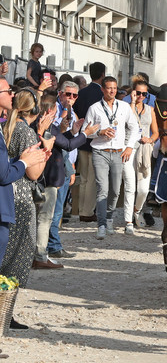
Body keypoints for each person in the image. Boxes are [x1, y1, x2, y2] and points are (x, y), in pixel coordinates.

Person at [0, 88, 54, 329]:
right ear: (36, 109)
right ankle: (5, 314)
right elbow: (33, 173)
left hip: (8, 195)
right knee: (18, 258)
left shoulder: (8, 126)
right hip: (21, 198)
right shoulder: (26, 132)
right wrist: (47, 150)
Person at [33, 94, 96, 268]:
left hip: (43, 177)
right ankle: (40, 256)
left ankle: (40, 253)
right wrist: (85, 134)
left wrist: (71, 132)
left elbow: (62, 141)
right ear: (51, 109)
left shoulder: (40, 125)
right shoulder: (46, 127)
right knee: (45, 217)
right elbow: (67, 146)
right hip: (48, 178)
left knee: (41, 217)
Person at [84, 76, 140, 239]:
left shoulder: (123, 106)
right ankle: (101, 224)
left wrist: (129, 146)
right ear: (102, 89)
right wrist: (99, 132)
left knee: (115, 190)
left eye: (114, 88)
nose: (112, 91)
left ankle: (109, 218)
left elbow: (134, 126)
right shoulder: (94, 108)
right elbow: (85, 132)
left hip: (118, 152)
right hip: (100, 151)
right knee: (103, 188)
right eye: (109, 88)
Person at [48, 81, 87, 258]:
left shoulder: (74, 112)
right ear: (60, 93)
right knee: (53, 209)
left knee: (59, 208)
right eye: (68, 94)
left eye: (74, 95)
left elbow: (71, 143)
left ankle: (53, 243)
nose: (71, 98)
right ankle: (53, 246)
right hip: (54, 164)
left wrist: (72, 167)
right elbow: (58, 137)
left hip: (66, 164)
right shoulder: (54, 110)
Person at [121, 79, 159, 233]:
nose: (141, 96)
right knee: (130, 186)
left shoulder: (150, 109)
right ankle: (128, 221)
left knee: (143, 189)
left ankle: (136, 210)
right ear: (133, 92)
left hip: (144, 149)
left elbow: (156, 132)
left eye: (144, 93)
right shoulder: (125, 107)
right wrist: (131, 102)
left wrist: (150, 139)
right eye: (138, 93)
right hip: (128, 148)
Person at [73, 62, 107, 223]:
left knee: (84, 179)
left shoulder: (82, 92)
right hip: (96, 139)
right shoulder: (101, 94)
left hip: (81, 139)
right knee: (93, 179)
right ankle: (87, 211)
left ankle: (81, 209)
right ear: (103, 74)